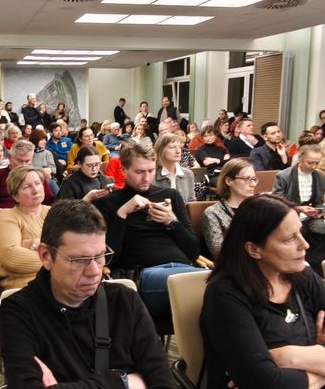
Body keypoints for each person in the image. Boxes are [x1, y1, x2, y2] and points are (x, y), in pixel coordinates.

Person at [0, 199, 174, 388]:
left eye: (100, 256)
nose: (95, 271)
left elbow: (163, 383)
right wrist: (123, 382)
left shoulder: (124, 300)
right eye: (79, 260)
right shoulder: (18, 312)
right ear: (46, 256)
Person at [200, 194, 325, 389]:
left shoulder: (303, 276)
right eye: (289, 239)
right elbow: (264, 381)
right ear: (254, 249)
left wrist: (288, 356)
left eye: (300, 233)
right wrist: (317, 362)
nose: (305, 245)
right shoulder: (224, 294)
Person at [93, 142, 201, 318]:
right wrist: (122, 213)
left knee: (220, 287)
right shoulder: (108, 203)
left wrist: (172, 222)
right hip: (144, 274)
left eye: (151, 171)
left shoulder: (171, 195)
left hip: (183, 267)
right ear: (124, 170)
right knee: (213, 285)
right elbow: (108, 259)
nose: (146, 178)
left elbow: (194, 251)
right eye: (139, 172)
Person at [0, 166, 50, 291]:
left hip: (58, 279)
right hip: (23, 285)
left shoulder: (54, 212)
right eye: (26, 187)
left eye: (38, 183)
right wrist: (58, 261)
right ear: (15, 196)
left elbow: (71, 246)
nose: (35, 190)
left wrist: (31, 243)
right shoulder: (7, 217)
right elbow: (12, 258)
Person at [272, 143, 325, 275]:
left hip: (310, 215)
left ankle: (316, 268)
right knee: (300, 231)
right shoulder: (284, 176)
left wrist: (320, 211)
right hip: (289, 214)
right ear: (300, 158)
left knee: (321, 229)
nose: (313, 166)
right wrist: (299, 208)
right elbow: (276, 202)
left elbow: (319, 201)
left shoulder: (320, 177)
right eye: (310, 162)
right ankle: (299, 267)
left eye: (317, 163)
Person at [0, 140, 55, 223]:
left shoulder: (36, 176)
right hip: (5, 220)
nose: (24, 166)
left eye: (27, 161)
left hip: (35, 220)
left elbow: (50, 202)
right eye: (20, 161)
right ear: (10, 157)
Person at [202, 159, 257, 258]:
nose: (253, 184)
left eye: (254, 179)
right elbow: (219, 252)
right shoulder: (213, 213)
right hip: (236, 263)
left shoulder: (259, 208)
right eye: (247, 179)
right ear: (229, 181)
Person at [153, 133, 196, 203]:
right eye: (172, 147)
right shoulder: (151, 175)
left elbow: (191, 203)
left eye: (180, 147)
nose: (178, 151)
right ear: (161, 150)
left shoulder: (188, 174)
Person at [30, 129, 59, 195]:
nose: (44, 142)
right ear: (35, 140)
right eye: (42, 140)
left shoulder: (48, 153)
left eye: (45, 140)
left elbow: (53, 169)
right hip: (33, 178)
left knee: (50, 182)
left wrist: (49, 170)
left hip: (47, 178)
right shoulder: (29, 153)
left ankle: (60, 199)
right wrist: (42, 171)